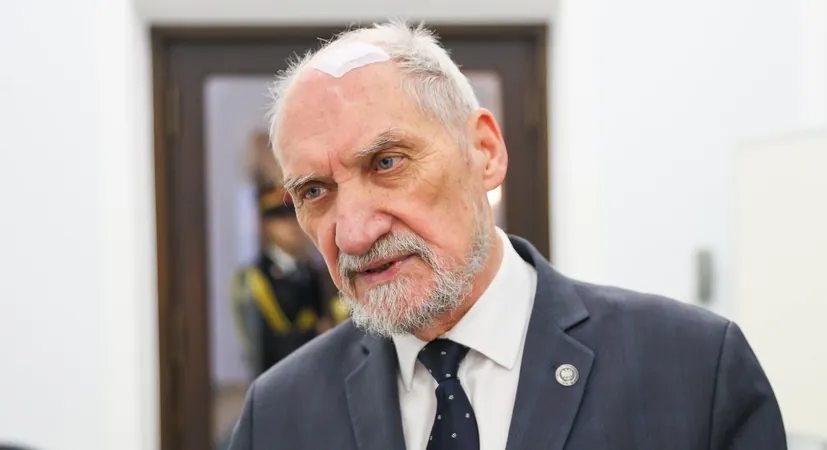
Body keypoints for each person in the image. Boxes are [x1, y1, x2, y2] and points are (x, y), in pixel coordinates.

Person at [228, 20, 785, 450]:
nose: (352, 234)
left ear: (485, 152)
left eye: (388, 162)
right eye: (314, 191)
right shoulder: (277, 415)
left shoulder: (692, 370)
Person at [231, 184, 337, 373]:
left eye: (296, 217)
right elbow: (262, 347)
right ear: (267, 226)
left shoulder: (317, 273)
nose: (293, 226)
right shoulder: (254, 279)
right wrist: (317, 333)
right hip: (278, 376)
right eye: (283, 219)